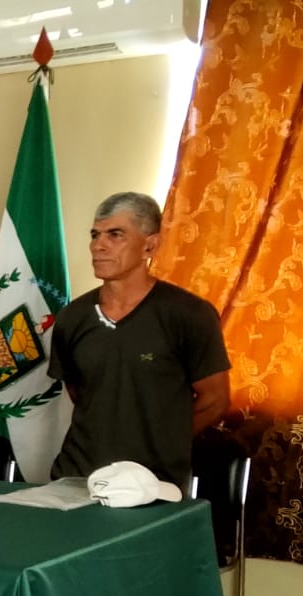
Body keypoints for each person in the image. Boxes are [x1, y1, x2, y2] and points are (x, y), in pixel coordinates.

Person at [48, 191, 231, 491]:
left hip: (153, 485)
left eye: (115, 235)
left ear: (150, 245)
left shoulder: (188, 314)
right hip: (76, 477)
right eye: (95, 235)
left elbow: (215, 400)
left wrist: (162, 444)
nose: (98, 246)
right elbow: (82, 393)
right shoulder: (73, 317)